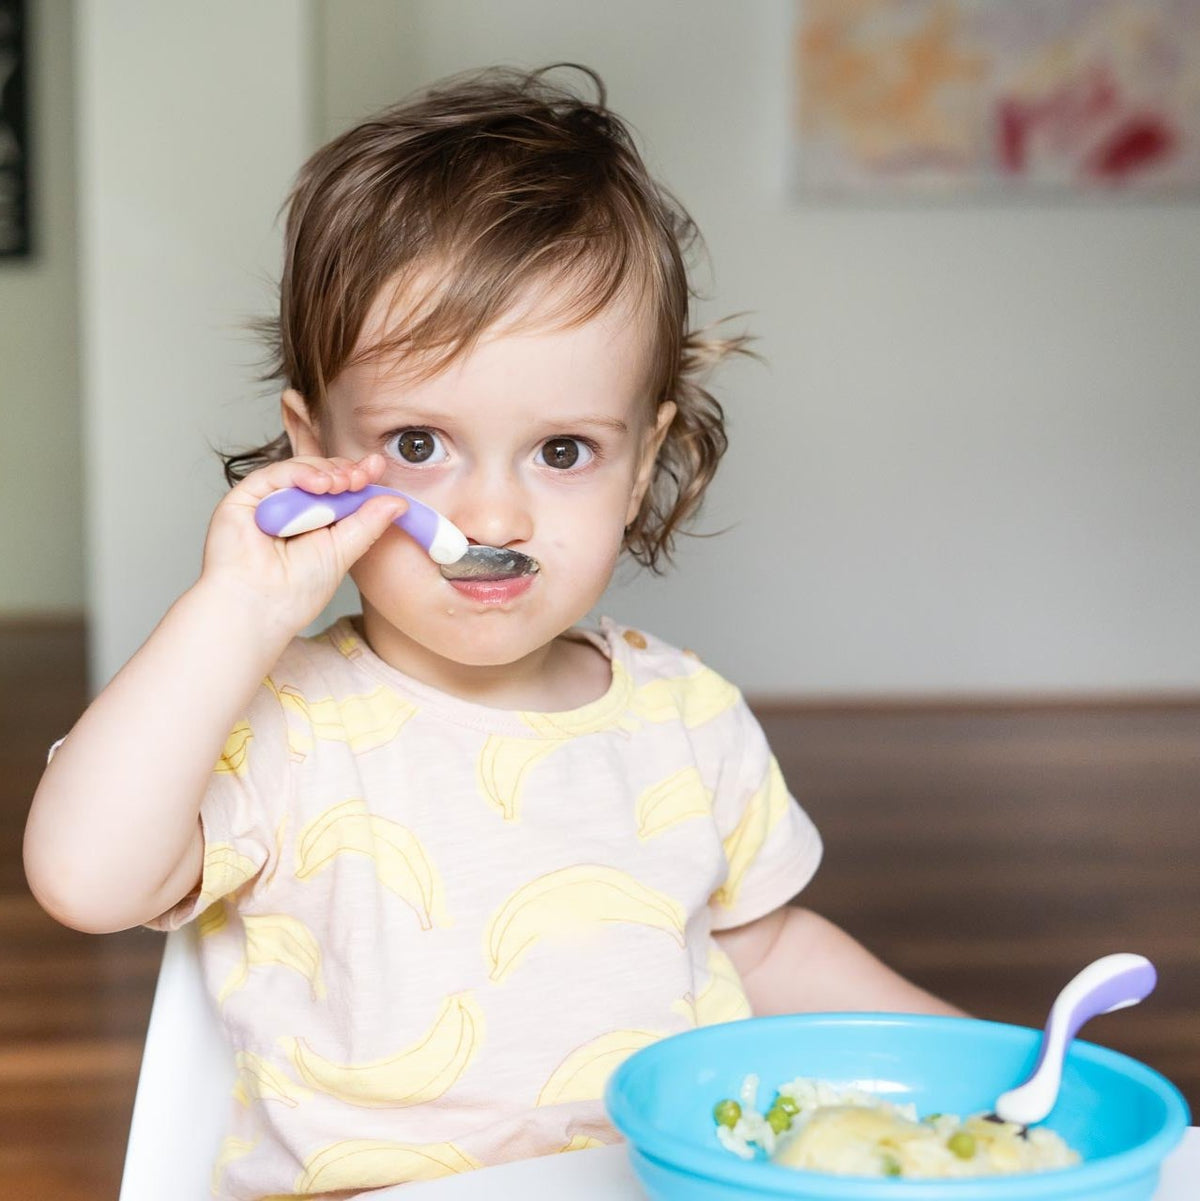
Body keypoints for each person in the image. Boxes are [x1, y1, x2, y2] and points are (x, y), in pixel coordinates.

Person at [24, 65, 959, 1200]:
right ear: (311, 446)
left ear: (639, 462)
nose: (496, 514)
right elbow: (84, 876)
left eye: (561, 451)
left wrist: (986, 1073)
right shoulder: (282, 724)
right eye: (420, 443)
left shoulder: (685, 716)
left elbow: (766, 951)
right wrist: (234, 613)